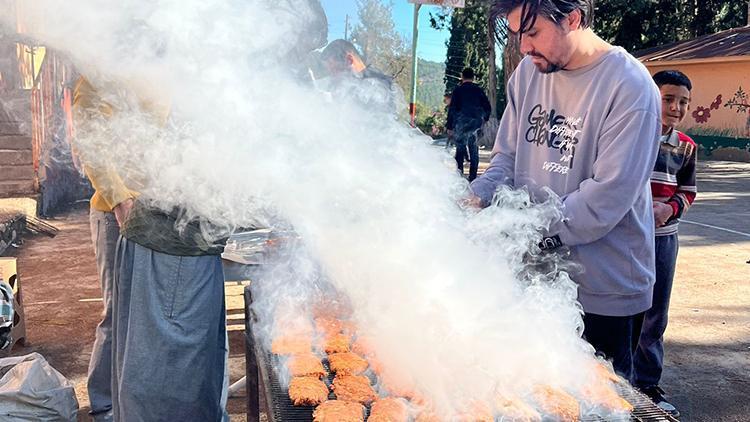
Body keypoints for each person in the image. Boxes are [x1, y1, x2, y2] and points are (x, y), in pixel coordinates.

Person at [468, 0, 661, 383]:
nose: (523, 47)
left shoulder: (631, 87)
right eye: (516, 35)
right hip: (533, 278)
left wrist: (516, 230)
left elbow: (603, 201)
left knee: (594, 404)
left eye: (533, 33)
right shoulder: (528, 72)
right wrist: (477, 196)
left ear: (573, 18)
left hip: (602, 292)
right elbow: (506, 157)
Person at [634, 70, 697, 418]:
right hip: (626, 239)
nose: (676, 108)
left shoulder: (686, 146)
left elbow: (688, 190)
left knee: (655, 314)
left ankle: (647, 383)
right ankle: (618, 380)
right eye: (668, 99)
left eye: (683, 102)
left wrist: (670, 208)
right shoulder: (629, 135)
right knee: (625, 309)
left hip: (663, 241)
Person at [446, 67, 492, 181]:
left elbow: (452, 109)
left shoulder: (458, 90)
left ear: (462, 77)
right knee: (474, 150)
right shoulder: (479, 90)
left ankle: (459, 177)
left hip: (460, 124)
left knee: (460, 151)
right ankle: (473, 178)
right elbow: (487, 107)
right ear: (473, 77)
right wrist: (484, 119)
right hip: (476, 124)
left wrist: (450, 126)